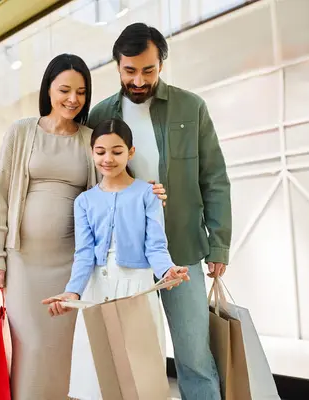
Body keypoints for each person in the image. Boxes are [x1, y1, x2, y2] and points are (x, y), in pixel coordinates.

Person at [0, 53, 167, 399]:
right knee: (29, 346)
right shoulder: (21, 132)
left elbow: (114, 183)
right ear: (48, 89)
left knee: (60, 348)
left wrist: (149, 189)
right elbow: (1, 197)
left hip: (71, 262)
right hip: (23, 260)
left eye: (81, 92)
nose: (73, 99)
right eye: (65, 90)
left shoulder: (89, 139)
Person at [85, 23, 232, 399]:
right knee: (132, 356)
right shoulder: (100, 115)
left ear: (161, 64)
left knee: (194, 357)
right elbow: (93, 186)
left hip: (181, 250)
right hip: (127, 256)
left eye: (148, 70)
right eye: (129, 70)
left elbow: (213, 178)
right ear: (117, 66)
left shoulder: (190, 107)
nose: (138, 79)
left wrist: (218, 246)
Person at [42, 118, 190, 399]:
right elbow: (84, 254)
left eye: (117, 151)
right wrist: (73, 291)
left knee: (140, 370)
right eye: (100, 152)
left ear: (130, 153)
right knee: (96, 370)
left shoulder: (148, 194)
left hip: (137, 287)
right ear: (91, 152)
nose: (107, 159)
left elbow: (156, 246)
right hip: (97, 288)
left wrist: (168, 270)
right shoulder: (84, 201)